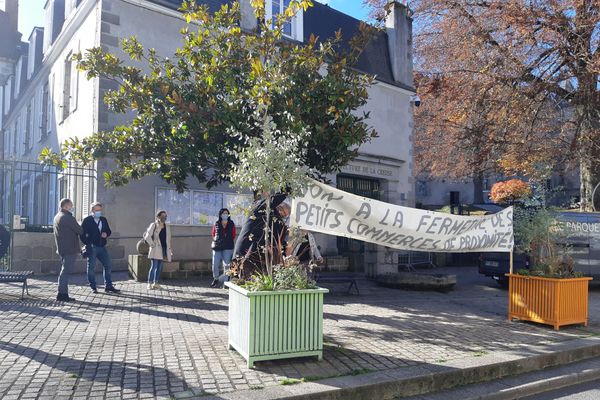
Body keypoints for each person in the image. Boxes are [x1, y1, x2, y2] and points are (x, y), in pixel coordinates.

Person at [232, 194, 290, 279]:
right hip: (246, 251)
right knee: (239, 280)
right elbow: (269, 202)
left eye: (285, 216)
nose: (282, 217)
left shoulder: (273, 221)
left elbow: (276, 238)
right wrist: (285, 191)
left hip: (256, 257)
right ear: (277, 208)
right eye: (283, 213)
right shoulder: (260, 211)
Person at [81, 202, 120, 294]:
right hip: (92, 247)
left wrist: (106, 234)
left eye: (100, 210)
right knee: (91, 267)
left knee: (108, 265)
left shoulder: (103, 219)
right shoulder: (87, 220)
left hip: (102, 246)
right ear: (92, 210)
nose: (99, 212)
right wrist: (88, 244)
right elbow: (82, 234)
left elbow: (108, 231)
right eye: (97, 210)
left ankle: (109, 286)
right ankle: (93, 287)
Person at [53, 198, 83, 302]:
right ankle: (62, 294)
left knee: (64, 271)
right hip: (70, 248)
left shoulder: (57, 216)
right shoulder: (68, 217)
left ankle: (62, 293)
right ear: (66, 206)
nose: (72, 208)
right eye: (71, 206)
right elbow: (80, 230)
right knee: (65, 272)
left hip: (62, 248)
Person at [143, 210, 172, 290]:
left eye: (165, 216)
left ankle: (156, 283)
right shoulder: (154, 225)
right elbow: (147, 236)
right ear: (158, 217)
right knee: (154, 266)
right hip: (156, 249)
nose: (164, 218)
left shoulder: (167, 226)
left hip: (163, 249)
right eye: (163, 216)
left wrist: (169, 248)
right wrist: (152, 245)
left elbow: (168, 238)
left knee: (159, 267)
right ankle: (149, 283)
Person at [211, 208, 236, 288]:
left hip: (228, 246)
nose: (225, 215)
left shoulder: (231, 223)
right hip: (217, 246)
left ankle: (226, 282)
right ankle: (216, 278)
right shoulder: (217, 223)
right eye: (223, 213)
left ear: (228, 215)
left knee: (227, 265)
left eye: (226, 213)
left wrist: (227, 240)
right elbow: (213, 234)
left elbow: (233, 235)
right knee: (215, 264)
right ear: (220, 215)